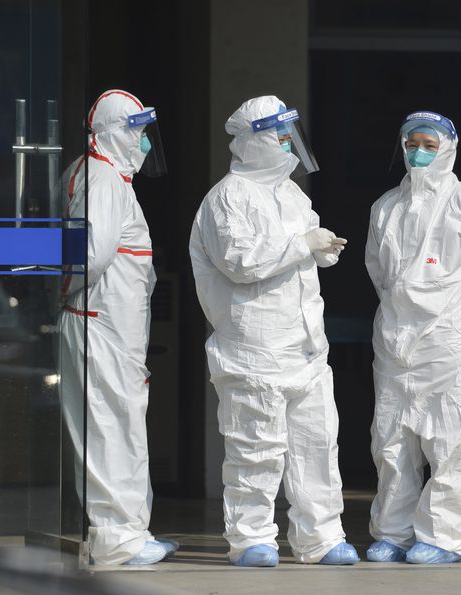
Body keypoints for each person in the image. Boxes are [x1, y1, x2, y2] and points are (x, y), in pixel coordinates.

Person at [189, 95, 357, 567]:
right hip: (253, 349)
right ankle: (251, 539)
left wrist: (320, 250)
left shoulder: (291, 193)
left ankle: (321, 539)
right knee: (255, 448)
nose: (288, 144)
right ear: (253, 140)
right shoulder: (228, 198)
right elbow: (242, 262)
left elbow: (299, 248)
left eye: (291, 135)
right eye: (279, 136)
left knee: (317, 448)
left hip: (305, 347)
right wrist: (303, 244)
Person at [364, 111, 461, 564]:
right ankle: (393, 532)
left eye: (429, 143)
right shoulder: (385, 206)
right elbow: (378, 271)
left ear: (449, 146)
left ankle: (443, 538)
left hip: (451, 345)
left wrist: (459, 313)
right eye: (411, 143)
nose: (419, 151)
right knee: (392, 442)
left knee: (452, 441)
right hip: (395, 342)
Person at [59, 89, 176, 565]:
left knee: (122, 428)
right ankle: (116, 540)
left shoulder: (103, 176)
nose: (145, 143)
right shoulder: (103, 178)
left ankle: (130, 532)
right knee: (107, 430)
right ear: (113, 133)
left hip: (112, 328)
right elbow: (91, 257)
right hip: (100, 325)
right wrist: (68, 298)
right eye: (138, 131)